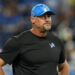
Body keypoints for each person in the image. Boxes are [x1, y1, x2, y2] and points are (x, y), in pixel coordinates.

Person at [0, 4, 69, 75]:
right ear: (32, 19)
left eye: (48, 16)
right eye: (43, 17)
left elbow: (64, 66)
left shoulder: (56, 41)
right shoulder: (18, 41)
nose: (47, 19)